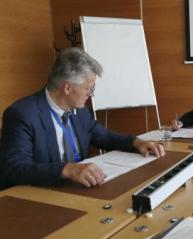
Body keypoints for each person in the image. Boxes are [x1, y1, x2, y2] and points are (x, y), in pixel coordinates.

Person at [0, 48, 165, 190]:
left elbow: (104, 136)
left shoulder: (80, 111)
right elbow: (14, 169)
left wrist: (136, 142)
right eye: (88, 88)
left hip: (80, 189)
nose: (91, 94)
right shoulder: (23, 114)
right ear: (67, 87)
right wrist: (67, 170)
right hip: (42, 195)